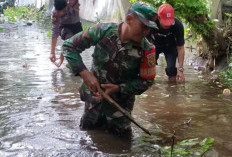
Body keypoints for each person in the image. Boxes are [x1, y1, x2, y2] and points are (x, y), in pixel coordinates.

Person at [62, 2, 157, 136]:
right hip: (93, 100)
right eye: (143, 26)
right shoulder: (102, 31)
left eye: (149, 28)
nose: (146, 32)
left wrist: (119, 88)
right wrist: (85, 74)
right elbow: (69, 47)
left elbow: (147, 81)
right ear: (129, 19)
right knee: (87, 136)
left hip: (120, 109)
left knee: (122, 145)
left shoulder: (147, 50)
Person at [147, 3, 185, 82]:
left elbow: (180, 48)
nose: (167, 25)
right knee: (148, 68)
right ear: (159, 17)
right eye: (165, 22)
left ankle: (172, 91)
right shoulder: (151, 23)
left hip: (170, 46)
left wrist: (180, 69)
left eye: (169, 22)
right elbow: (144, 42)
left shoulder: (178, 26)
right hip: (154, 45)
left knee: (171, 70)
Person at [50, 0, 83, 67]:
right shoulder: (55, 13)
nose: (61, 13)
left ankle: (71, 62)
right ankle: (61, 59)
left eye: (63, 10)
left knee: (79, 44)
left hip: (76, 24)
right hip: (64, 27)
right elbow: (55, 31)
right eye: (59, 11)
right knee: (69, 38)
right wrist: (52, 52)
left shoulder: (72, 2)